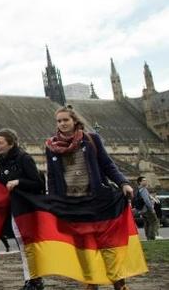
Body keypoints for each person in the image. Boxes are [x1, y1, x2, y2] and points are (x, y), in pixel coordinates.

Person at [45, 106, 133, 290]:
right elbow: (52, 177)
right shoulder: (51, 146)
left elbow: (107, 164)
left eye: (65, 120)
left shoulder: (91, 139)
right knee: (83, 248)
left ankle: (119, 283)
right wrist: (53, 201)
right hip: (72, 203)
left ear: (74, 121)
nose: (62, 124)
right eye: (59, 121)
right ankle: (91, 284)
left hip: (96, 200)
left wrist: (123, 183)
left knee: (108, 246)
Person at [0, 128, 45, 290]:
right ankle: (30, 279)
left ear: (11, 143)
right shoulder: (1, 159)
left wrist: (18, 182)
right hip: (13, 209)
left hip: (27, 208)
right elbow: (2, 184)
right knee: (22, 245)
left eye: (0, 143)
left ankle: (35, 279)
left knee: (29, 245)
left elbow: (38, 183)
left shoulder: (24, 158)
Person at [136, 176, 159, 240]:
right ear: (140, 182)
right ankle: (151, 237)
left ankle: (148, 237)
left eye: (146, 180)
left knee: (147, 223)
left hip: (143, 210)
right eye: (144, 180)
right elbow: (146, 200)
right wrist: (151, 209)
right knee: (153, 222)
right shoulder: (143, 190)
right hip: (147, 209)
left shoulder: (139, 189)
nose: (145, 181)